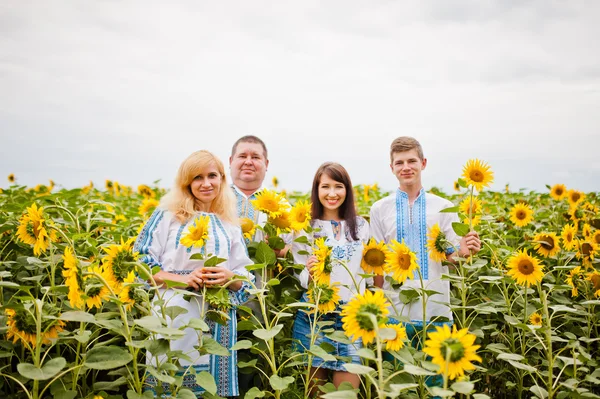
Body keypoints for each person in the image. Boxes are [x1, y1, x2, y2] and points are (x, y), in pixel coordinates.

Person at [134, 150, 254, 398]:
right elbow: (141, 261)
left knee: (210, 388)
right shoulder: (168, 216)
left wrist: (229, 277)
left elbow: (245, 273)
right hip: (174, 315)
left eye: (212, 175)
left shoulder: (229, 224)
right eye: (197, 177)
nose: (206, 183)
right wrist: (183, 279)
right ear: (186, 182)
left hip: (217, 317)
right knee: (170, 381)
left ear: (222, 179)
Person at [370, 137, 481, 339]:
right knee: (396, 368)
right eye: (399, 163)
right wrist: (378, 306)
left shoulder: (443, 207)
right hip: (394, 309)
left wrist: (464, 252)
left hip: (436, 308)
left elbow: (451, 260)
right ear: (391, 168)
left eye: (412, 161)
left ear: (423, 163)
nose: (406, 167)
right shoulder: (379, 209)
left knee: (436, 369)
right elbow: (378, 264)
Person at [291, 162, 370, 395]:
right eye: (325, 187)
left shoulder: (361, 226)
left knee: (346, 393)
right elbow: (300, 275)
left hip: (351, 317)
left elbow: (367, 272)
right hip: (314, 316)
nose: (332, 193)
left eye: (339, 186)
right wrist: (310, 271)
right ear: (316, 190)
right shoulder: (305, 227)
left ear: (347, 190)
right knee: (316, 393)